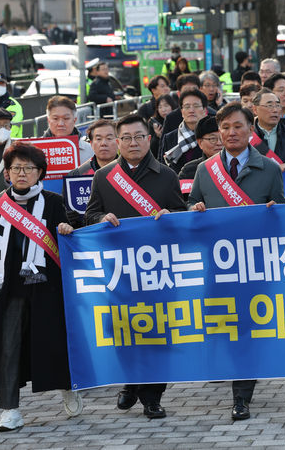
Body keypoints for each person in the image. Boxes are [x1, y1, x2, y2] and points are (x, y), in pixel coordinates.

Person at [0, 141, 81, 431]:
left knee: (52, 343)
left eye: (29, 168)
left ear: (40, 172)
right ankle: (10, 410)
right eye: (16, 168)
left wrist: (65, 229)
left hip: (46, 288)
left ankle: (68, 386)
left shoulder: (53, 202)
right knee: (8, 348)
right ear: (8, 173)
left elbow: (68, 233)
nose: (22, 173)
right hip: (7, 290)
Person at [84, 114, 187, 419]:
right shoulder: (104, 177)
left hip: (157, 268)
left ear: (149, 139)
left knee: (158, 332)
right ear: (117, 142)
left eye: (138, 136)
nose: (132, 143)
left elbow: (181, 215)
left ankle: (153, 396)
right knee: (123, 330)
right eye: (126, 137)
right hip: (119, 270)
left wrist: (170, 215)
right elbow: (90, 214)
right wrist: (101, 219)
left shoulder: (167, 175)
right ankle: (130, 383)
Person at [188, 103, 285, 420]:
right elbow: (192, 210)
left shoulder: (269, 169)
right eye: (225, 127)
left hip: (255, 265)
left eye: (238, 126)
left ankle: (241, 396)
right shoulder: (205, 170)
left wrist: (275, 211)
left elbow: (280, 218)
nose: (231, 133)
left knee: (247, 329)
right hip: (218, 266)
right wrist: (195, 212)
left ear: (250, 129)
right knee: (226, 327)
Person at [64, 119, 119, 228]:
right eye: (98, 139)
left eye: (109, 138)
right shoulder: (76, 176)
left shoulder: (130, 171)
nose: (103, 143)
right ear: (91, 143)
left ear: (119, 141)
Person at [159, 90, 209, 174]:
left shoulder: (212, 136)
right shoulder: (170, 138)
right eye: (187, 106)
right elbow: (162, 167)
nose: (191, 110)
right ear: (182, 112)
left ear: (204, 110)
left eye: (196, 106)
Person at [41, 95, 94, 164]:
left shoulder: (90, 151)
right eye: (55, 118)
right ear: (48, 120)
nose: (60, 124)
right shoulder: (35, 150)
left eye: (66, 118)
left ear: (74, 120)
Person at [178, 116, 223, 195]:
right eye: (212, 139)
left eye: (222, 138)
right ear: (200, 143)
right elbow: (181, 202)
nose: (219, 143)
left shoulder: (236, 166)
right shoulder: (189, 171)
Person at [147, 94, 178, 158]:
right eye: (160, 107)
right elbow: (152, 150)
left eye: (166, 106)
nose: (163, 110)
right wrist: (157, 136)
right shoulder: (154, 123)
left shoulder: (178, 119)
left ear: (172, 106)